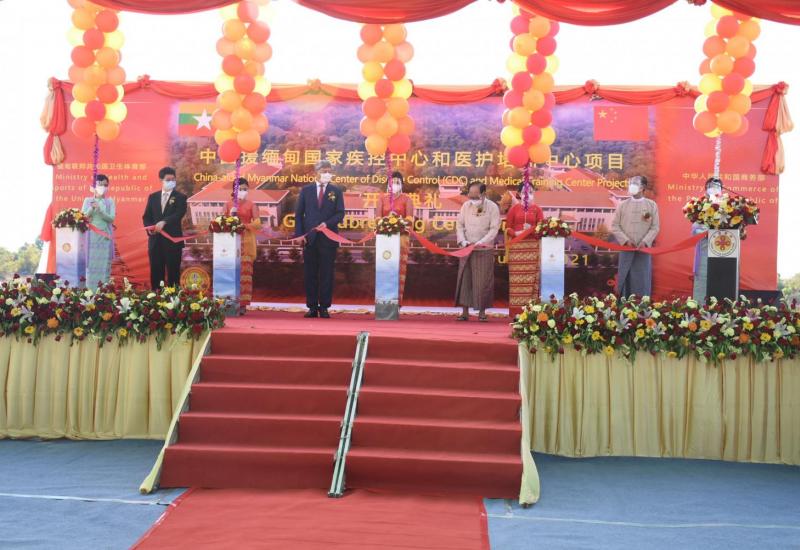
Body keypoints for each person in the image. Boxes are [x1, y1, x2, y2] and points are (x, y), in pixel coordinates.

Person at [294, 160, 345, 318]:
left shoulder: (336, 191)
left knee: (326, 274)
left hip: (328, 238)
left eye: (329, 171)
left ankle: (324, 307)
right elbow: (299, 214)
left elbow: (340, 213)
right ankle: (312, 307)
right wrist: (299, 235)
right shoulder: (306, 190)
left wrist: (327, 223)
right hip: (310, 238)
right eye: (324, 171)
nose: (327, 174)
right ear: (315, 172)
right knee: (310, 274)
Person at [455, 183, 501, 322]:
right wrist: (463, 241)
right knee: (465, 279)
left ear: (483, 194)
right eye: (470, 195)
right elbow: (459, 225)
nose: (472, 199)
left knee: (482, 281)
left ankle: (482, 312)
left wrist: (482, 242)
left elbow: (494, 229)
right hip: (467, 247)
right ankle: (464, 312)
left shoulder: (492, 207)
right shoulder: (465, 206)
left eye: (475, 196)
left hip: (483, 249)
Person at [611, 175, 660, 298]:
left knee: (642, 278)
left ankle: (642, 305)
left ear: (643, 187)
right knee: (625, 277)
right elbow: (615, 226)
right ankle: (623, 304)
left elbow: (655, 227)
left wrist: (645, 241)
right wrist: (625, 240)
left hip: (643, 250)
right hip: (626, 249)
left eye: (635, 184)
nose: (631, 186)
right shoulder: (622, 205)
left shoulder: (651, 205)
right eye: (630, 183)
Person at [142, 166, 187, 289]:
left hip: (173, 241)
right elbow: (146, 217)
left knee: (173, 272)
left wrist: (164, 222)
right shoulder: (153, 197)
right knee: (156, 272)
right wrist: (149, 229)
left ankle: (174, 298)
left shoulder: (180, 197)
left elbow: (179, 214)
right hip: (155, 241)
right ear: (161, 180)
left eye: (173, 179)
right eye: (168, 180)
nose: (171, 182)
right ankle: (156, 297)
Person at [505, 183, 544, 317]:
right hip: (517, 249)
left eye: (530, 192)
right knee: (516, 282)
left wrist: (531, 229)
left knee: (531, 281)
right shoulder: (514, 209)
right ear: (519, 194)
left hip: (532, 249)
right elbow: (507, 228)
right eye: (524, 192)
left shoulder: (537, 210)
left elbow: (541, 230)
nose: (527, 195)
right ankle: (516, 313)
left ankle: (530, 312)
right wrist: (517, 233)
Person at [225, 178, 262, 313]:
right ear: (234, 190)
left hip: (246, 243)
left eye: (245, 189)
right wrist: (230, 217)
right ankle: (229, 304)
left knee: (244, 274)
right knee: (230, 273)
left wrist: (244, 225)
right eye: (240, 189)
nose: (243, 191)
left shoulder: (252, 205)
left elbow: (258, 223)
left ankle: (242, 305)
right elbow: (220, 221)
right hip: (230, 243)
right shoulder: (228, 204)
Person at [378, 171, 414, 304]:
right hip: (384, 240)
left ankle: (397, 302)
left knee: (398, 271)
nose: (395, 184)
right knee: (385, 270)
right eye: (392, 182)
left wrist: (398, 221)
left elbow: (410, 219)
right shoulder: (382, 199)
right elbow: (377, 219)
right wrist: (387, 221)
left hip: (401, 239)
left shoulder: (407, 199)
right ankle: (383, 303)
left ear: (402, 184)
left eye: (398, 182)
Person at [81, 174, 115, 287]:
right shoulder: (88, 200)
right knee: (91, 265)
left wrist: (100, 210)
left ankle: (103, 292)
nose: (103, 187)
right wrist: (91, 208)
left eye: (106, 185)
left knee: (104, 266)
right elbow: (82, 217)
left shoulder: (109, 202)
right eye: (101, 185)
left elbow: (111, 218)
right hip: (91, 238)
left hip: (105, 238)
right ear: (94, 186)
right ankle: (90, 292)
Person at [692, 177, 722, 303]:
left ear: (721, 190)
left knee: (721, 282)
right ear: (706, 190)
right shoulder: (698, 206)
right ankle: (698, 309)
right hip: (704, 249)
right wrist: (706, 231)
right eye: (711, 186)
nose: (714, 189)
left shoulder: (729, 207)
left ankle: (722, 311)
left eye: (717, 186)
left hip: (722, 250)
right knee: (702, 283)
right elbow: (695, 228)